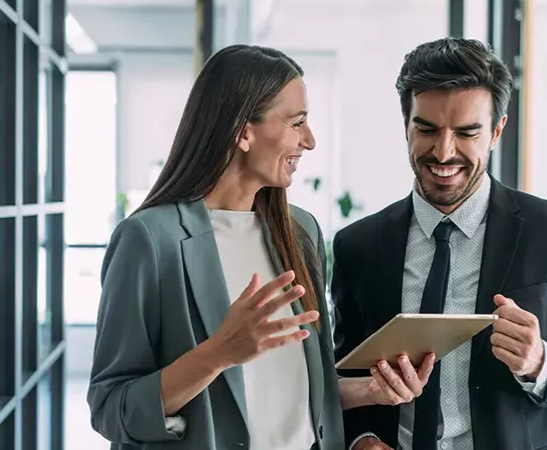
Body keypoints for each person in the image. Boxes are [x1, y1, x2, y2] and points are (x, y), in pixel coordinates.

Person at [87, 44, 435, 450]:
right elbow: (111, 408)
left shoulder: (299, 231)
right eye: (297, 123)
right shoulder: (148, 239)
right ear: (244, 131)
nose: (310, 140)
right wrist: (217, 354)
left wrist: (373, 391)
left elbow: (292, 394)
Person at [331, 38, 547, 450]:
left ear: (496, 131)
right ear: (406, 126)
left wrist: (540, 361)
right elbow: (342, 379)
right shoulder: (357, 246)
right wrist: (360, 439)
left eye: (467, 132)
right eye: (427, 129)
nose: (444, 151)